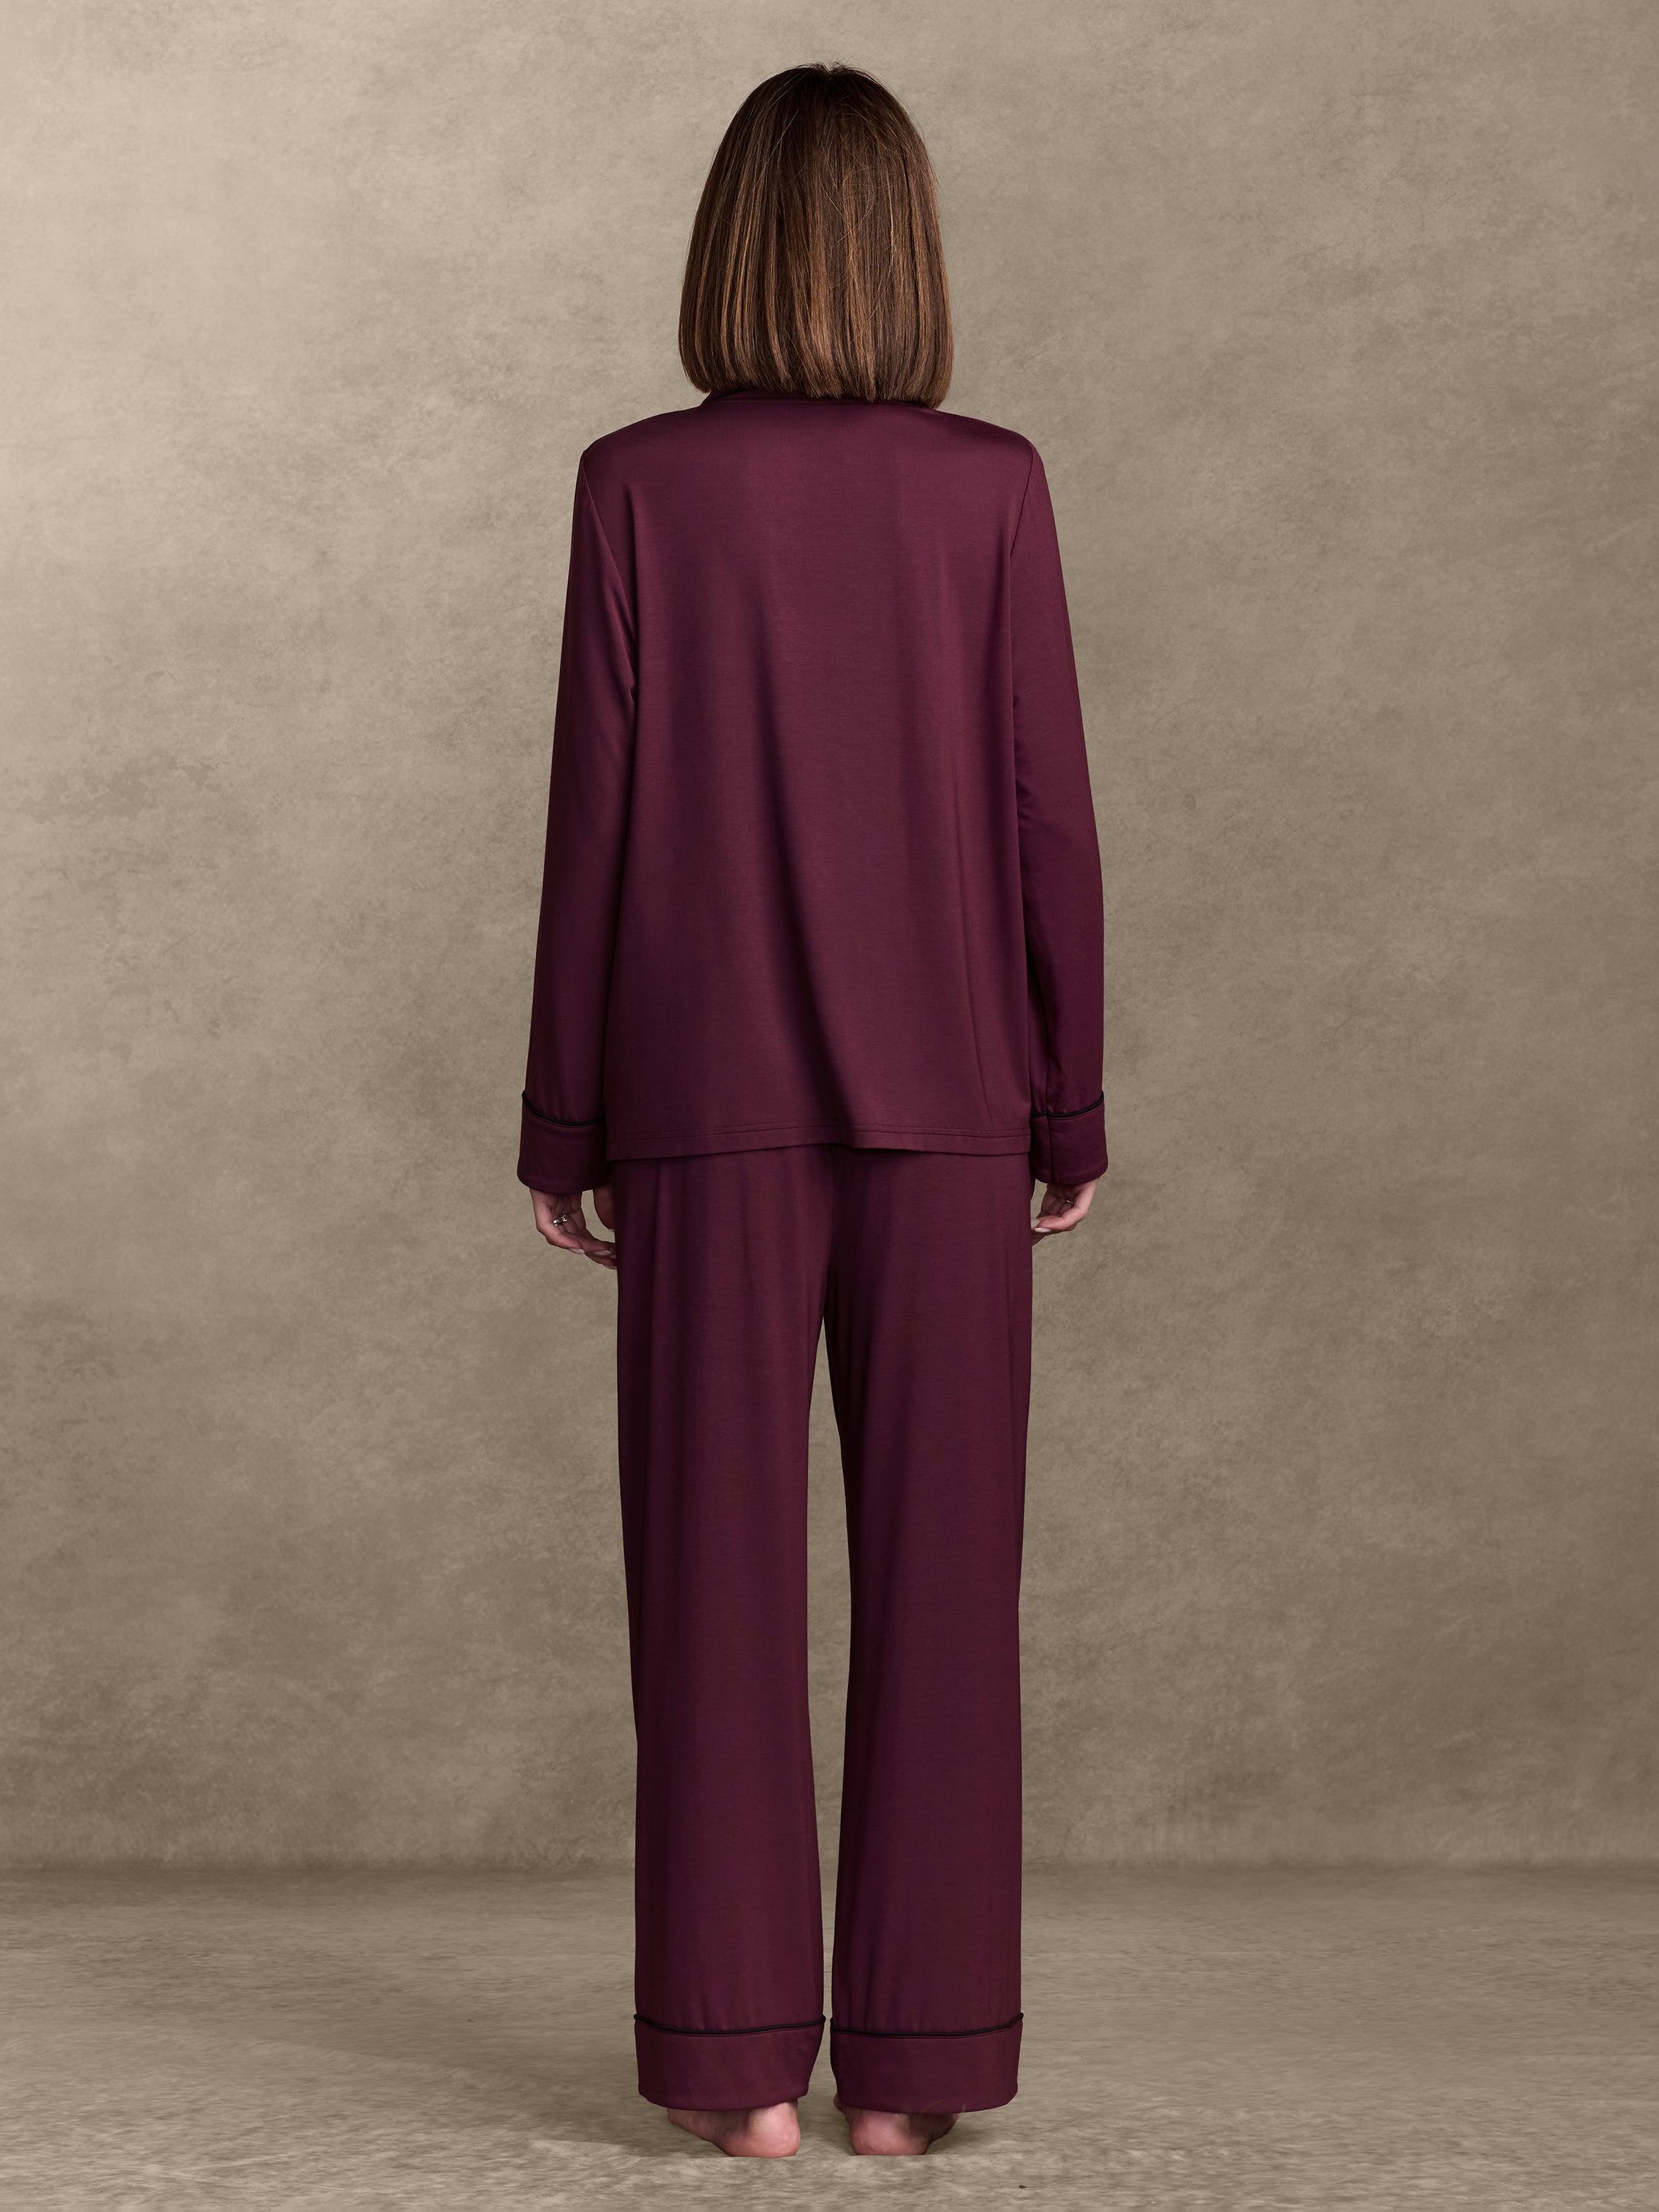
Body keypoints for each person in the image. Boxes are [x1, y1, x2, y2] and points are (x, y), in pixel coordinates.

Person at [516, 63, 1107, 2159]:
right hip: (953, 1104)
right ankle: (915, 2079)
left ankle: (736, 2066)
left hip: (702, 1106)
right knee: (948, 1601)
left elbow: (595, 817)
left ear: (727, 249)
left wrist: (563, 1121)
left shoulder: (635, 486)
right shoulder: (991, 487)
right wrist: (1067, 1102)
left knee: (712, 1597)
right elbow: (1047, 808)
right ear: (907, 254)